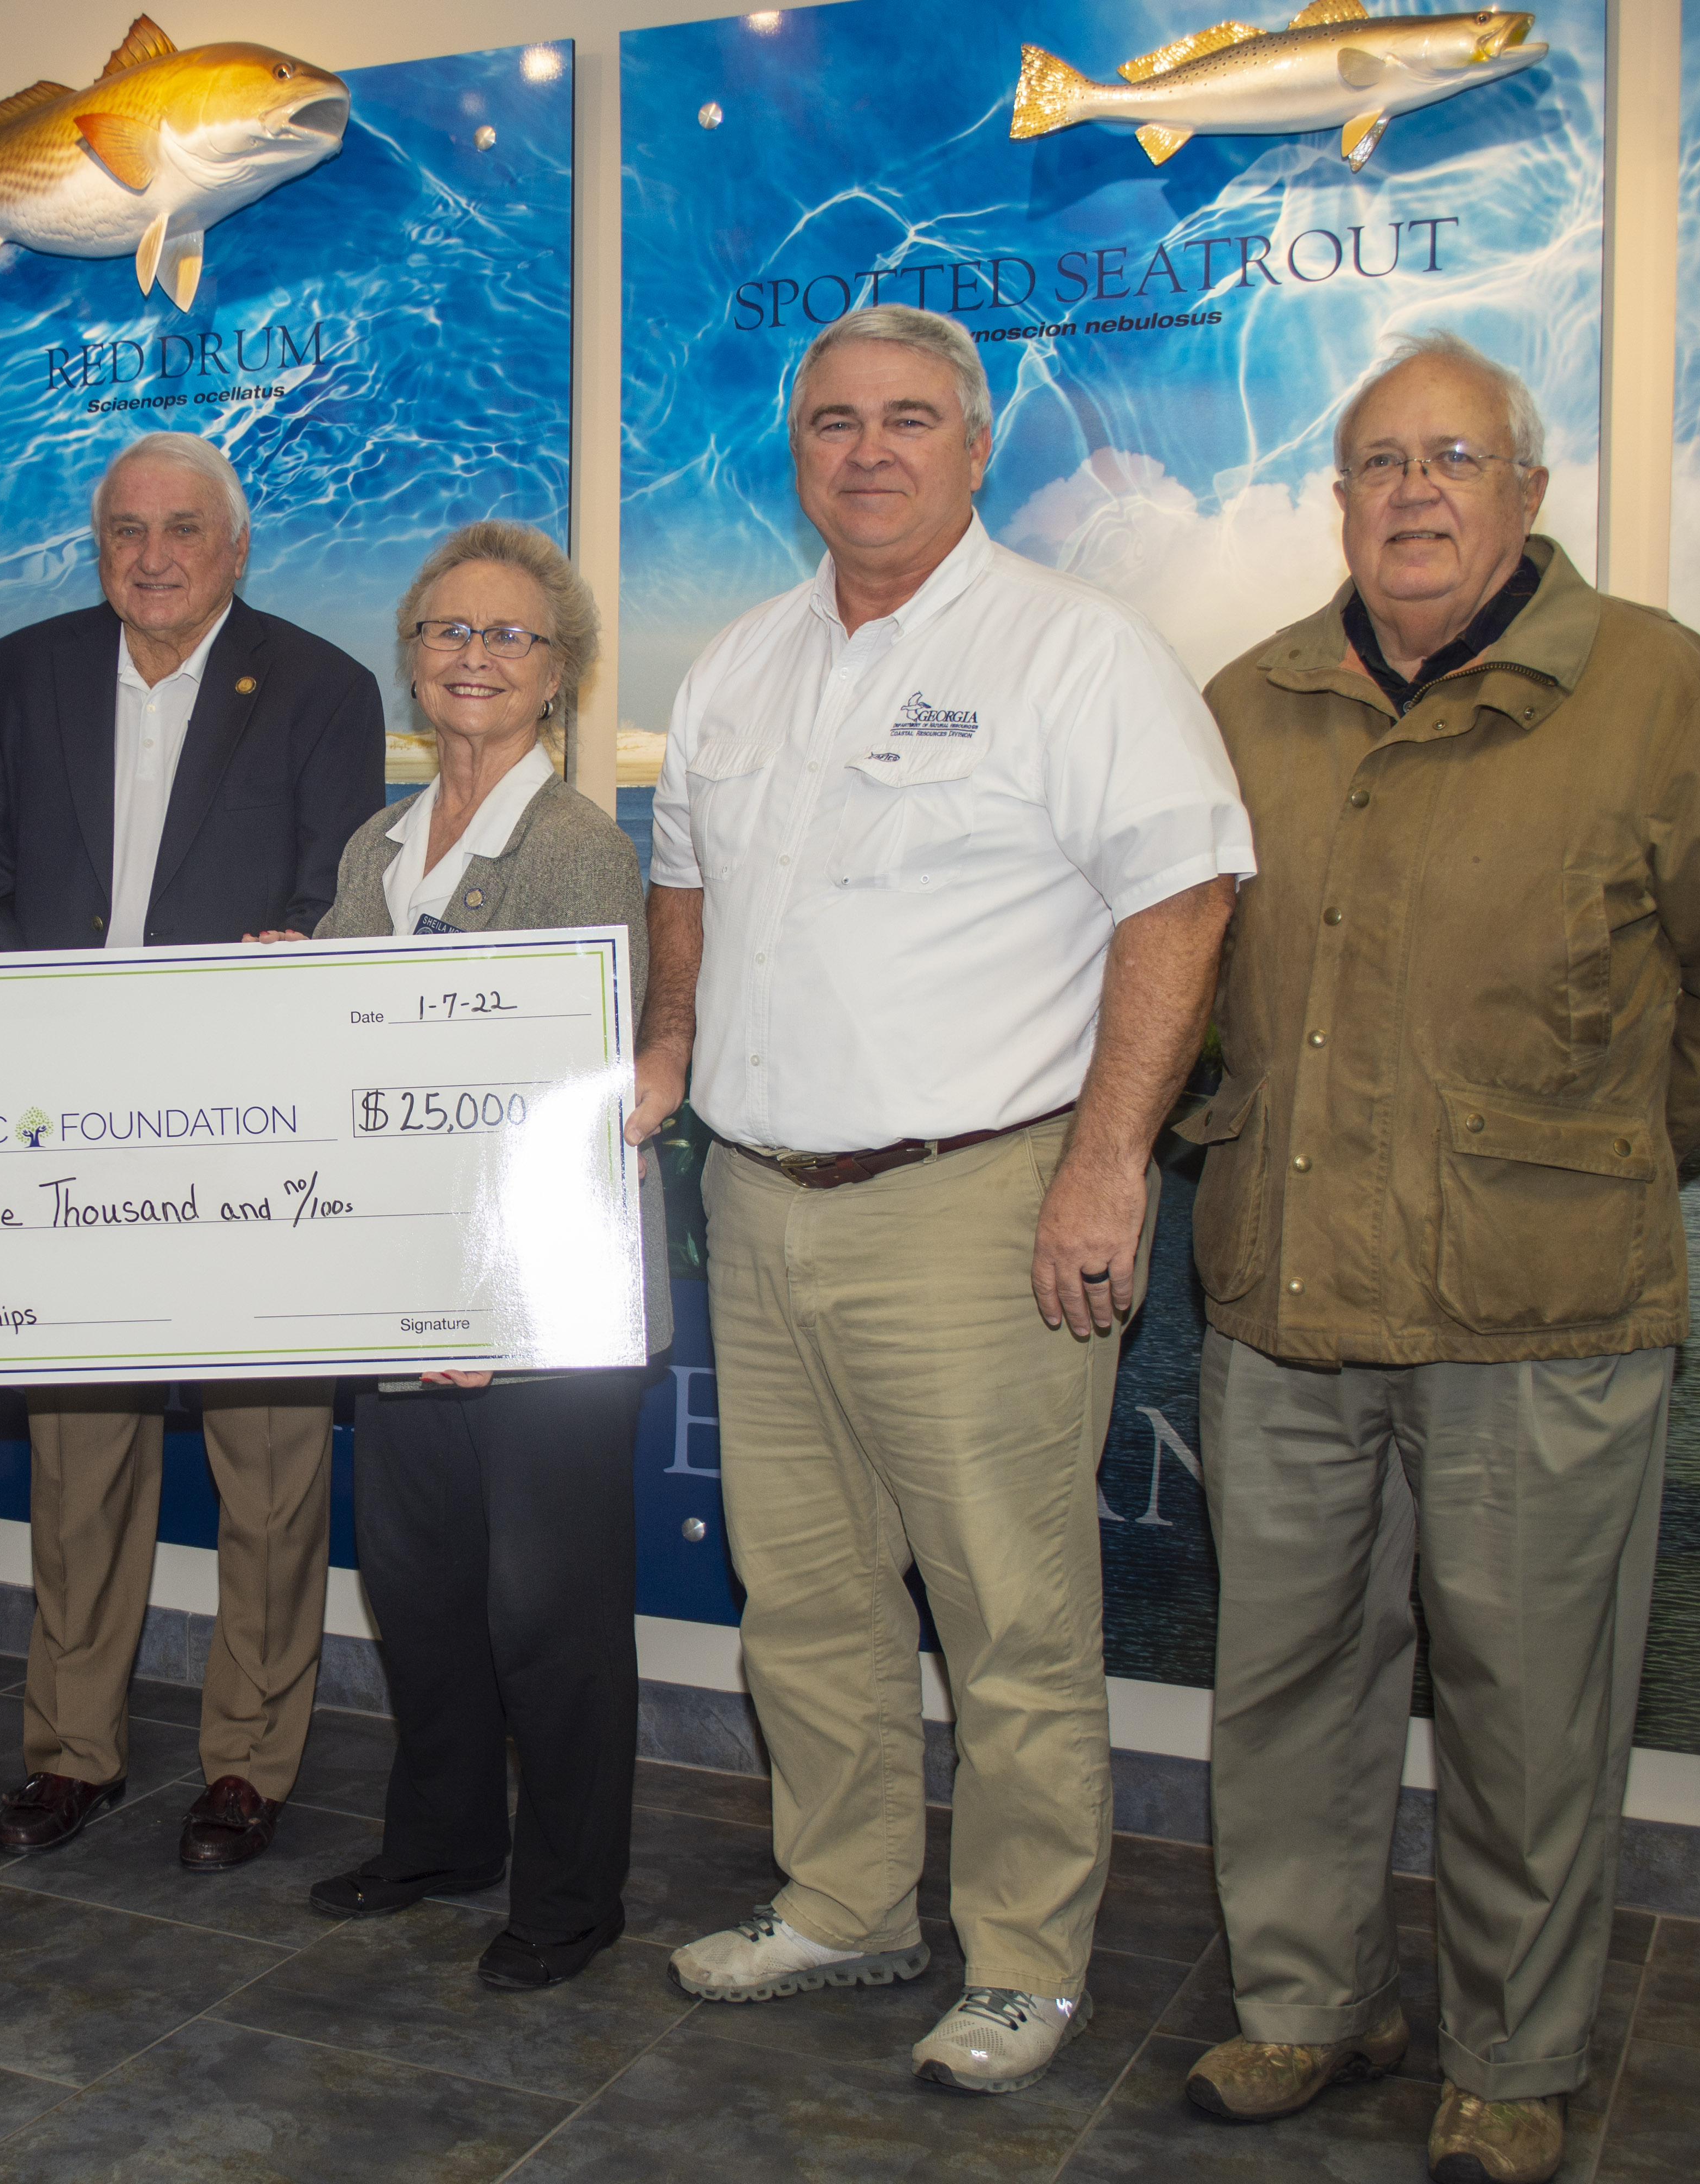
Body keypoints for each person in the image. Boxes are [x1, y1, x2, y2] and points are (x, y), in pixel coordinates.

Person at [1175, 333, 1700, 2184]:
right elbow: (1180, 973)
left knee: (1532, 1706)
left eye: (1454, 457)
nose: (1413, 492)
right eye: (1379, 461)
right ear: (1341, 499)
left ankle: (1516, 2056)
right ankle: (1306, 2006)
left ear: (1528, 493)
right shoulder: (1250, 700)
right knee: (1284, 1682)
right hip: (1288, 1292)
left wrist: (1602, 1148)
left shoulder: (1653, 687)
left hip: (1537, 1310)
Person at [637, 304, 1253, 2093]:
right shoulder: (739, 663)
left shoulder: (1080, 653)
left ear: (979, 450)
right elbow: (685, 874)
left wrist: (1109, 1164)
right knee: (806, 1595)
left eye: (913, 420)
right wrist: (672, 1038)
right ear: (798, 452)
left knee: (1011, 1612)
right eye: (835, 422)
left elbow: (1183, 903)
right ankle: (842, 1902)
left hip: (979, 1203)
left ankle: (1024, 1961)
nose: (871, 450)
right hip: (756, 1200)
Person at [0, 431, 383, 1872]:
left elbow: (337, 907)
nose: (152, 554)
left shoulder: (323, 690)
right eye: (125, 527)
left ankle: (248, 1765)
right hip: (69, 1131)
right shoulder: (17, 677)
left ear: (233, 547)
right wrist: (58, 1042)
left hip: (252, 1136)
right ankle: (70, 1754)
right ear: (99, 543)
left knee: (270, 1463)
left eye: (182, 528)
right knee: (80, 1465)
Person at [301, 521, 665, 1989]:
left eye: (508, 636)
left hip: (542, 1299)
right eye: (449, 632)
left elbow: (557, 1099)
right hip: (403, 1292)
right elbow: (342, 1044)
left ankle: (573, 1895)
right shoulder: (375, 844)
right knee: (423, 1578)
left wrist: (491, 1300)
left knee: (549, 1608)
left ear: (561, 674)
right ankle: (445, 1837)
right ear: (412, 660)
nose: (473, 657)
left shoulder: (576, 845)